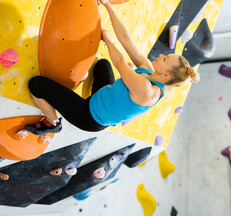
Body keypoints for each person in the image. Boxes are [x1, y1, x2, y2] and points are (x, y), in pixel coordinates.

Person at [25, 0, 200, 135]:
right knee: (103, 65)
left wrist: (107, 40)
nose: (160, 56)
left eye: (165, 59)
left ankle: (52, 123)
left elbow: (120, 62)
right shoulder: (150, 71)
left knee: (36, 84)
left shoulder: (148, 92)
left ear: (166, 76)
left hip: (89, 116)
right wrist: (107, 4)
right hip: (103, 96)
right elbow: (126, 39)